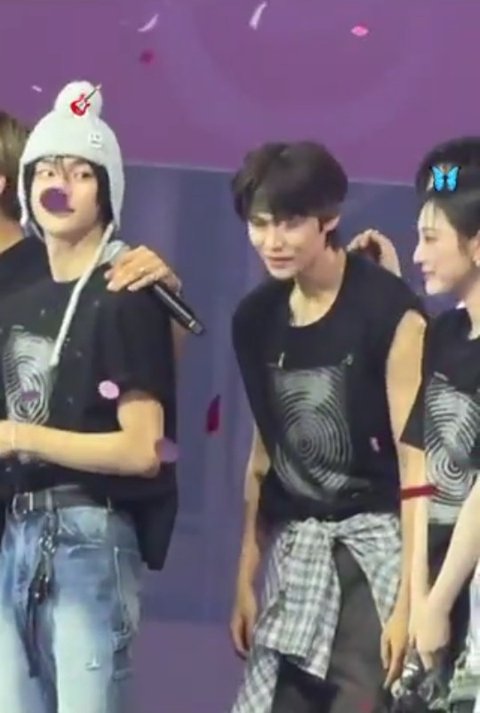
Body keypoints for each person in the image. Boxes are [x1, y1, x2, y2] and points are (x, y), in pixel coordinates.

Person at [228, 140, 427, 713]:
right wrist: (245, 577)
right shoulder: (255, 319)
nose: (273, 241)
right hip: (297, 555)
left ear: (329, 218)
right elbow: (264, 455)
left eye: (290, 223)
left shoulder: (389, 311)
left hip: (376, 553)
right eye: (260, 224)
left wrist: (408, 604)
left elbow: (416, 463)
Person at [0, 81, 178, 713]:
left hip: (89, 534)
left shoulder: (125, 291)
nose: (61, 186)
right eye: (48, 171)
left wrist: (18, 436)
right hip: (16, 532)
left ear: (106, 191)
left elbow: (144, 449)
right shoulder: (17, 292)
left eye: (80, 174)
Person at [347, 136, 480, 711]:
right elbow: (423, 469)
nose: (420, 253)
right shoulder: (445, 335)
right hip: (439, 580)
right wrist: (420, 592)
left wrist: (441, 596)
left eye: (431, 239)